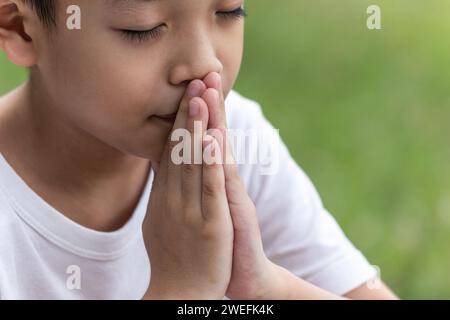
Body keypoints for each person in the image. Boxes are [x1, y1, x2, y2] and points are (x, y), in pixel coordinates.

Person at [0, 0, 397, 299]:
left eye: (228, 12)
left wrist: (266, 287)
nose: (206, 64)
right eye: (144, 28)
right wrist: (180, 289)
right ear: (20, 29)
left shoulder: (233, 140)